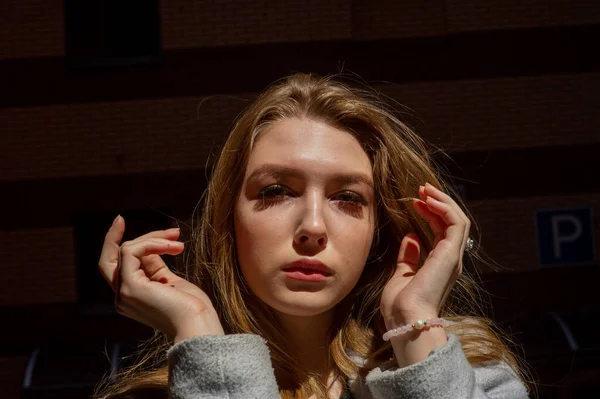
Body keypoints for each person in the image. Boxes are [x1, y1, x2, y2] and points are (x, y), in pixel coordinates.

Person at [95, 73, 532, 398]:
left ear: (378, 231)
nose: (314, 228)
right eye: (276, 191)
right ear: (227, 222)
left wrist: (413, 322)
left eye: (347, 198)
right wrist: (199, 332)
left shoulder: (472, 374)